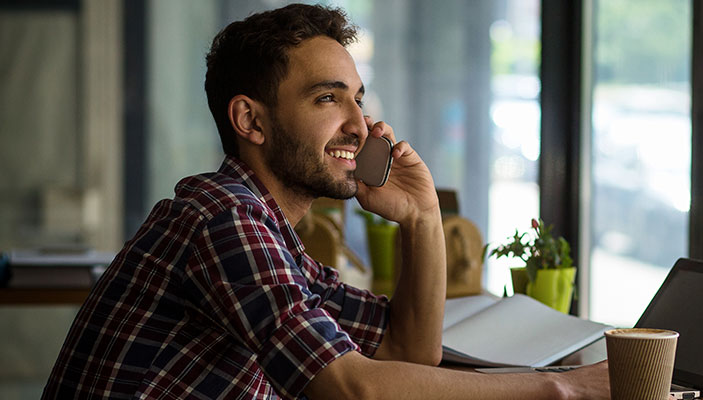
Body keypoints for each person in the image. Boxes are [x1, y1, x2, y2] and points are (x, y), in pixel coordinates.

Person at [42, 4, 608, 399]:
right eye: (326, 99)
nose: (360, 126)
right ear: (251, 120)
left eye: (358, 100)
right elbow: (352, 387)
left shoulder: (274, 238)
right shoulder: (221, 216)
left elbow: (410, 352)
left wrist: (422, 215)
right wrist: (564, 388)